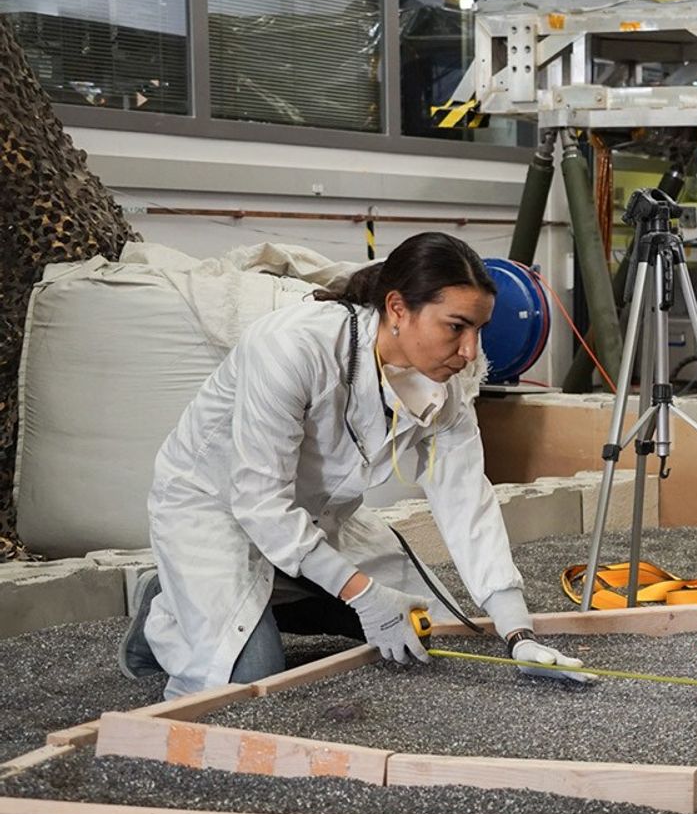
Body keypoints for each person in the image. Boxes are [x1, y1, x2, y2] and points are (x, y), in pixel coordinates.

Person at [119, 232, 584, 697]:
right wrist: (361, 593)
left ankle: (247, 596)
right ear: (398, 308)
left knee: (425, 624)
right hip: (214, 508)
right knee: (245, 678)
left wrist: (518, 632)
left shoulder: (447, 382)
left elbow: (467, 501)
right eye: (456, 327)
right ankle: (167, 602)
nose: (469, 351)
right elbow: (260, 503)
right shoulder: (291, 347)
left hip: (317, 515)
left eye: (478, 330)